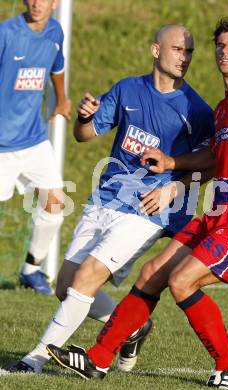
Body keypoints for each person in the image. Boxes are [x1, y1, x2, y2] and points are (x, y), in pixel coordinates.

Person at [46, 18, 228, 388]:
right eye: (221, 45)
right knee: (151, 273)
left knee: (182, 281)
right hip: (216, 215)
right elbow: (213, 160)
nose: (226, 51)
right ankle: (98, 359)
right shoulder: (222, 109)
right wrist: (173, 164)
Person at [7, 23, 214, 374]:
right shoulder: (128, 89)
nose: (185, 57)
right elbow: (84, 135)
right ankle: (133, 327)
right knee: (65, 285)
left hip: (148, 209)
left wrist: (173, 189)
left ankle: (36, 359)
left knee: (87, 276)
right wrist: (85, 118)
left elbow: (211, 162)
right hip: (106, 199)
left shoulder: (196, 109)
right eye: (178, 49)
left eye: (189, 51)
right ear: (155, 50)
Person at [0, 1, 71, 295]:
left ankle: (31, 270)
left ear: (55, 3)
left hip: (33, 139)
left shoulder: (55, 31)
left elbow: (57, 65)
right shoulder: (6, 33)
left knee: (55, 205)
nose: (37, 3)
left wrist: (62, 98)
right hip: (2, 144)